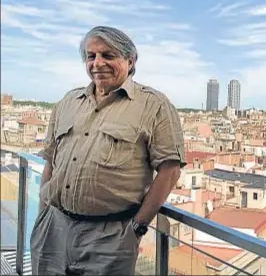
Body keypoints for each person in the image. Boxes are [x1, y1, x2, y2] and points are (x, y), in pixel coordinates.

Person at [31, 26, 186, 275]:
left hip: (110, 239)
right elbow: (51, 160)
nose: (97, 63)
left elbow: (170, 172)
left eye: (108, 55)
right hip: (53, 229)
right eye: (91, 56)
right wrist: (43, 214)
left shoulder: (154, 106)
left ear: (130, 60)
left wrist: (137, 228)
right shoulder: (68, 102)